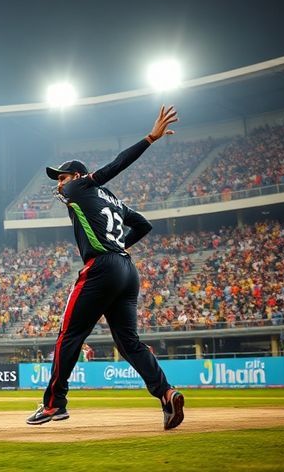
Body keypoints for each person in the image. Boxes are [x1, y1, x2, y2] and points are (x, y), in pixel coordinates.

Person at [26, 106, 185, 431]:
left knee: (68, 335)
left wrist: (149, 139)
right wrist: (121, 245)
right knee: (130, 343)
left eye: (62, 177)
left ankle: (54, 404)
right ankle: (166, 394)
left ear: (78, 178)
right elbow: (142, 224)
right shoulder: (110, 198)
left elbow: (115, 166)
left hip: (101, 268)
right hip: (127, 271)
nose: (59, 184)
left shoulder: (78, 188)